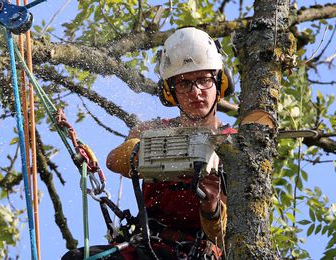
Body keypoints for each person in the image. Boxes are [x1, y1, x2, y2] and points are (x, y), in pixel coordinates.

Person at [62, 27, 236, 260]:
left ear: (219, 82)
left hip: (198, 253)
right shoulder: (153, 130)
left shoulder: (233, 144)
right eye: (184, 84)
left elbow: (222, 235)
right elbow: (115, 160)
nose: (195, 92)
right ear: (170, 92)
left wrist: (211, 204)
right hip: (149, 246)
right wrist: (178, 153)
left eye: (203, 80)